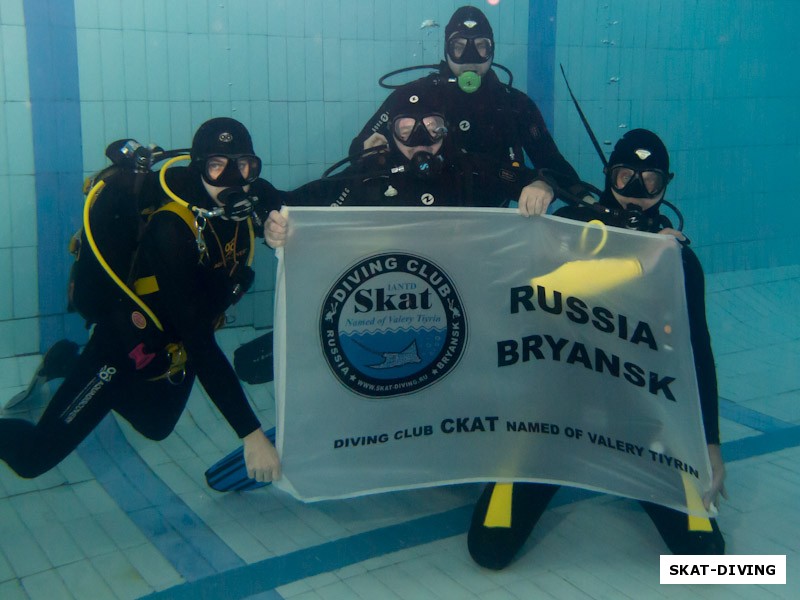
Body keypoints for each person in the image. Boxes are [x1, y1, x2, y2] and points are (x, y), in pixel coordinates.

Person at [467, 129, 728, 569]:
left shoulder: (679, 259)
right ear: (608, 176)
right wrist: (544, 186)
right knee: (489, 550)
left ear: (667, 186)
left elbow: (697, 351)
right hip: (555, 410)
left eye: (650, 183)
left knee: (706, 556)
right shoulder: (570, 225)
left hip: (637, 411)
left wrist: (710, 446)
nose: (635, 194)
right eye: (626, 176)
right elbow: (540, 289)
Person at [0, 117, 282, 484]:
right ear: (198, 168)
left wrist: (282, 224)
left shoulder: (244, 202)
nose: (232, 178)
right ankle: (79, 368)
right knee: (32, 459)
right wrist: (250, 433)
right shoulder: (171, 229)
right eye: (216, 165)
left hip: (169, 348)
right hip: (122, 344)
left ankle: (67, 362)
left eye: (243, 164)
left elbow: (298, 198)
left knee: (156, 425)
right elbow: (199, 340)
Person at [349, 5, 591, 216]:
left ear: (492, 50)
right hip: (421, 216)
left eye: (481, 46)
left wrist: (554, 189)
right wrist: (367, 152)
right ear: (446, 49)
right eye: (459, 46)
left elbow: (552, 163)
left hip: (493, 223)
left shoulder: (516, 105)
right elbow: (361, 147)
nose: (470, 57)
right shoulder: (413, 96)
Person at [264, 80, 537, 243]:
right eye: (406, 130)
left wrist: (540, 186)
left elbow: (526, 180)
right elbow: (295, 203)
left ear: (446, 130)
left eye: (432, 127)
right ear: (390, 134)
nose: (420, 139)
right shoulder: (371, 172)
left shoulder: (465, 168)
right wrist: (276, 225)